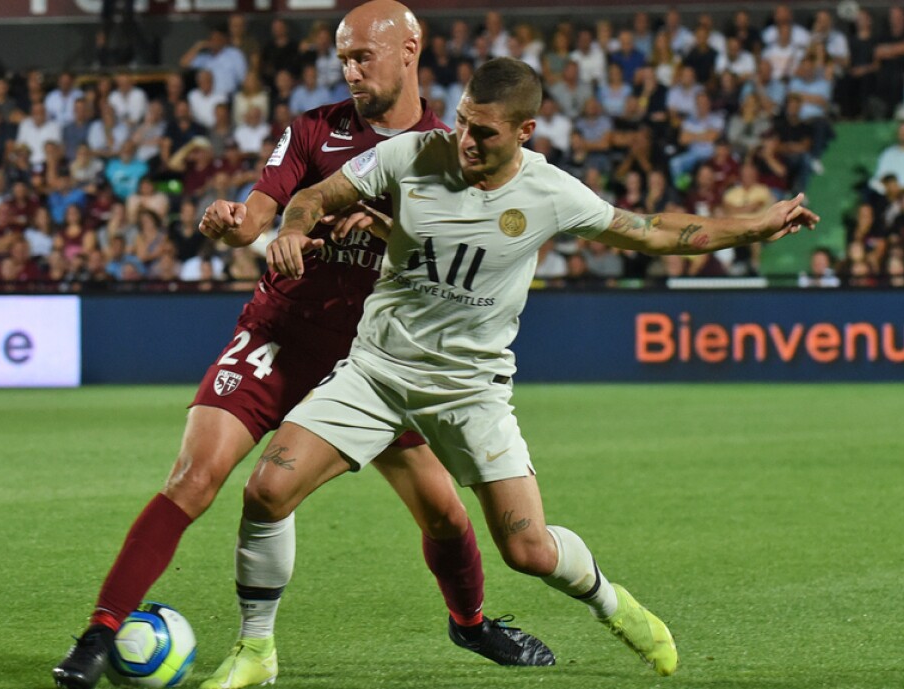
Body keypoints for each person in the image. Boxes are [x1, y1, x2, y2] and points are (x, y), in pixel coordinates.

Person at [242, 56, 818, 682]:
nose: (464, 140)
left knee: (528, 550)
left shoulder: (550, 192)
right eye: (462, 122)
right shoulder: (412, 154)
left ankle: (613, 604)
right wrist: (293, 229)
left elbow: (653, 232)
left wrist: (755, 228)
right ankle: (255, 652)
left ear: (525, 132)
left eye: (484, 131)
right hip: (377, 370)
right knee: (267, 491)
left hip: (470, 391)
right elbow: (317, 194)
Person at [50, 5, 552, 689]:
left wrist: (390, 230)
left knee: (442, 507)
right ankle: (99, 632)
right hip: (278, 332)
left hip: (373, 359)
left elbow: (469, 253)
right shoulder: (316, 130)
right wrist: (235, 222)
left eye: (362, 57)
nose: (349, 71)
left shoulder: (451, 150)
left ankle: (471, 622)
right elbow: (262, 207)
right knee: (194, 477)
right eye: (343, 57)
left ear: (409, 51)